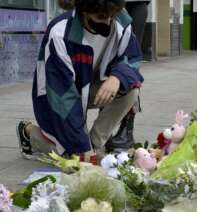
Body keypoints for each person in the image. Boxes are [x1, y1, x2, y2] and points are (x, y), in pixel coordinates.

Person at [16, 0, 144, 163]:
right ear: (84, 12)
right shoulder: (61, 33)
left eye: (111, 16)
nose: (108, 22)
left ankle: (96, 144)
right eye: (101, 17)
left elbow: (133, 57)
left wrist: (117, 77)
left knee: (131, 90)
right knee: (68, 155)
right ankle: (28, 132)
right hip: (55, 96)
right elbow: (64, 99)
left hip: (90, 87)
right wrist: (81, 148)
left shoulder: (120, 21)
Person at [105, 0, 151, 152]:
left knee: (128, 64)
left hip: (136, 3)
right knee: (106, 61)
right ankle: (106, 127)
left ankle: (127, 129)